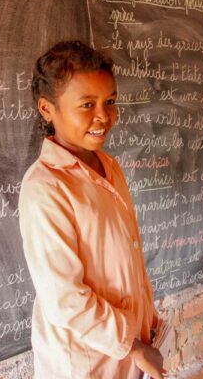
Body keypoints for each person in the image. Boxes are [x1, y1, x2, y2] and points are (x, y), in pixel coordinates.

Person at [19, 41, 166, 379]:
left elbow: (126, 258)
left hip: (129, 351)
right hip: (85, 364)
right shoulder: (46, 187)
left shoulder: (109, 166)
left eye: (109, 101)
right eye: (87, 104)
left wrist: (148, 321)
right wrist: (133, 346)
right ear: (47, 109)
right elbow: (65, 299)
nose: (104, 116)